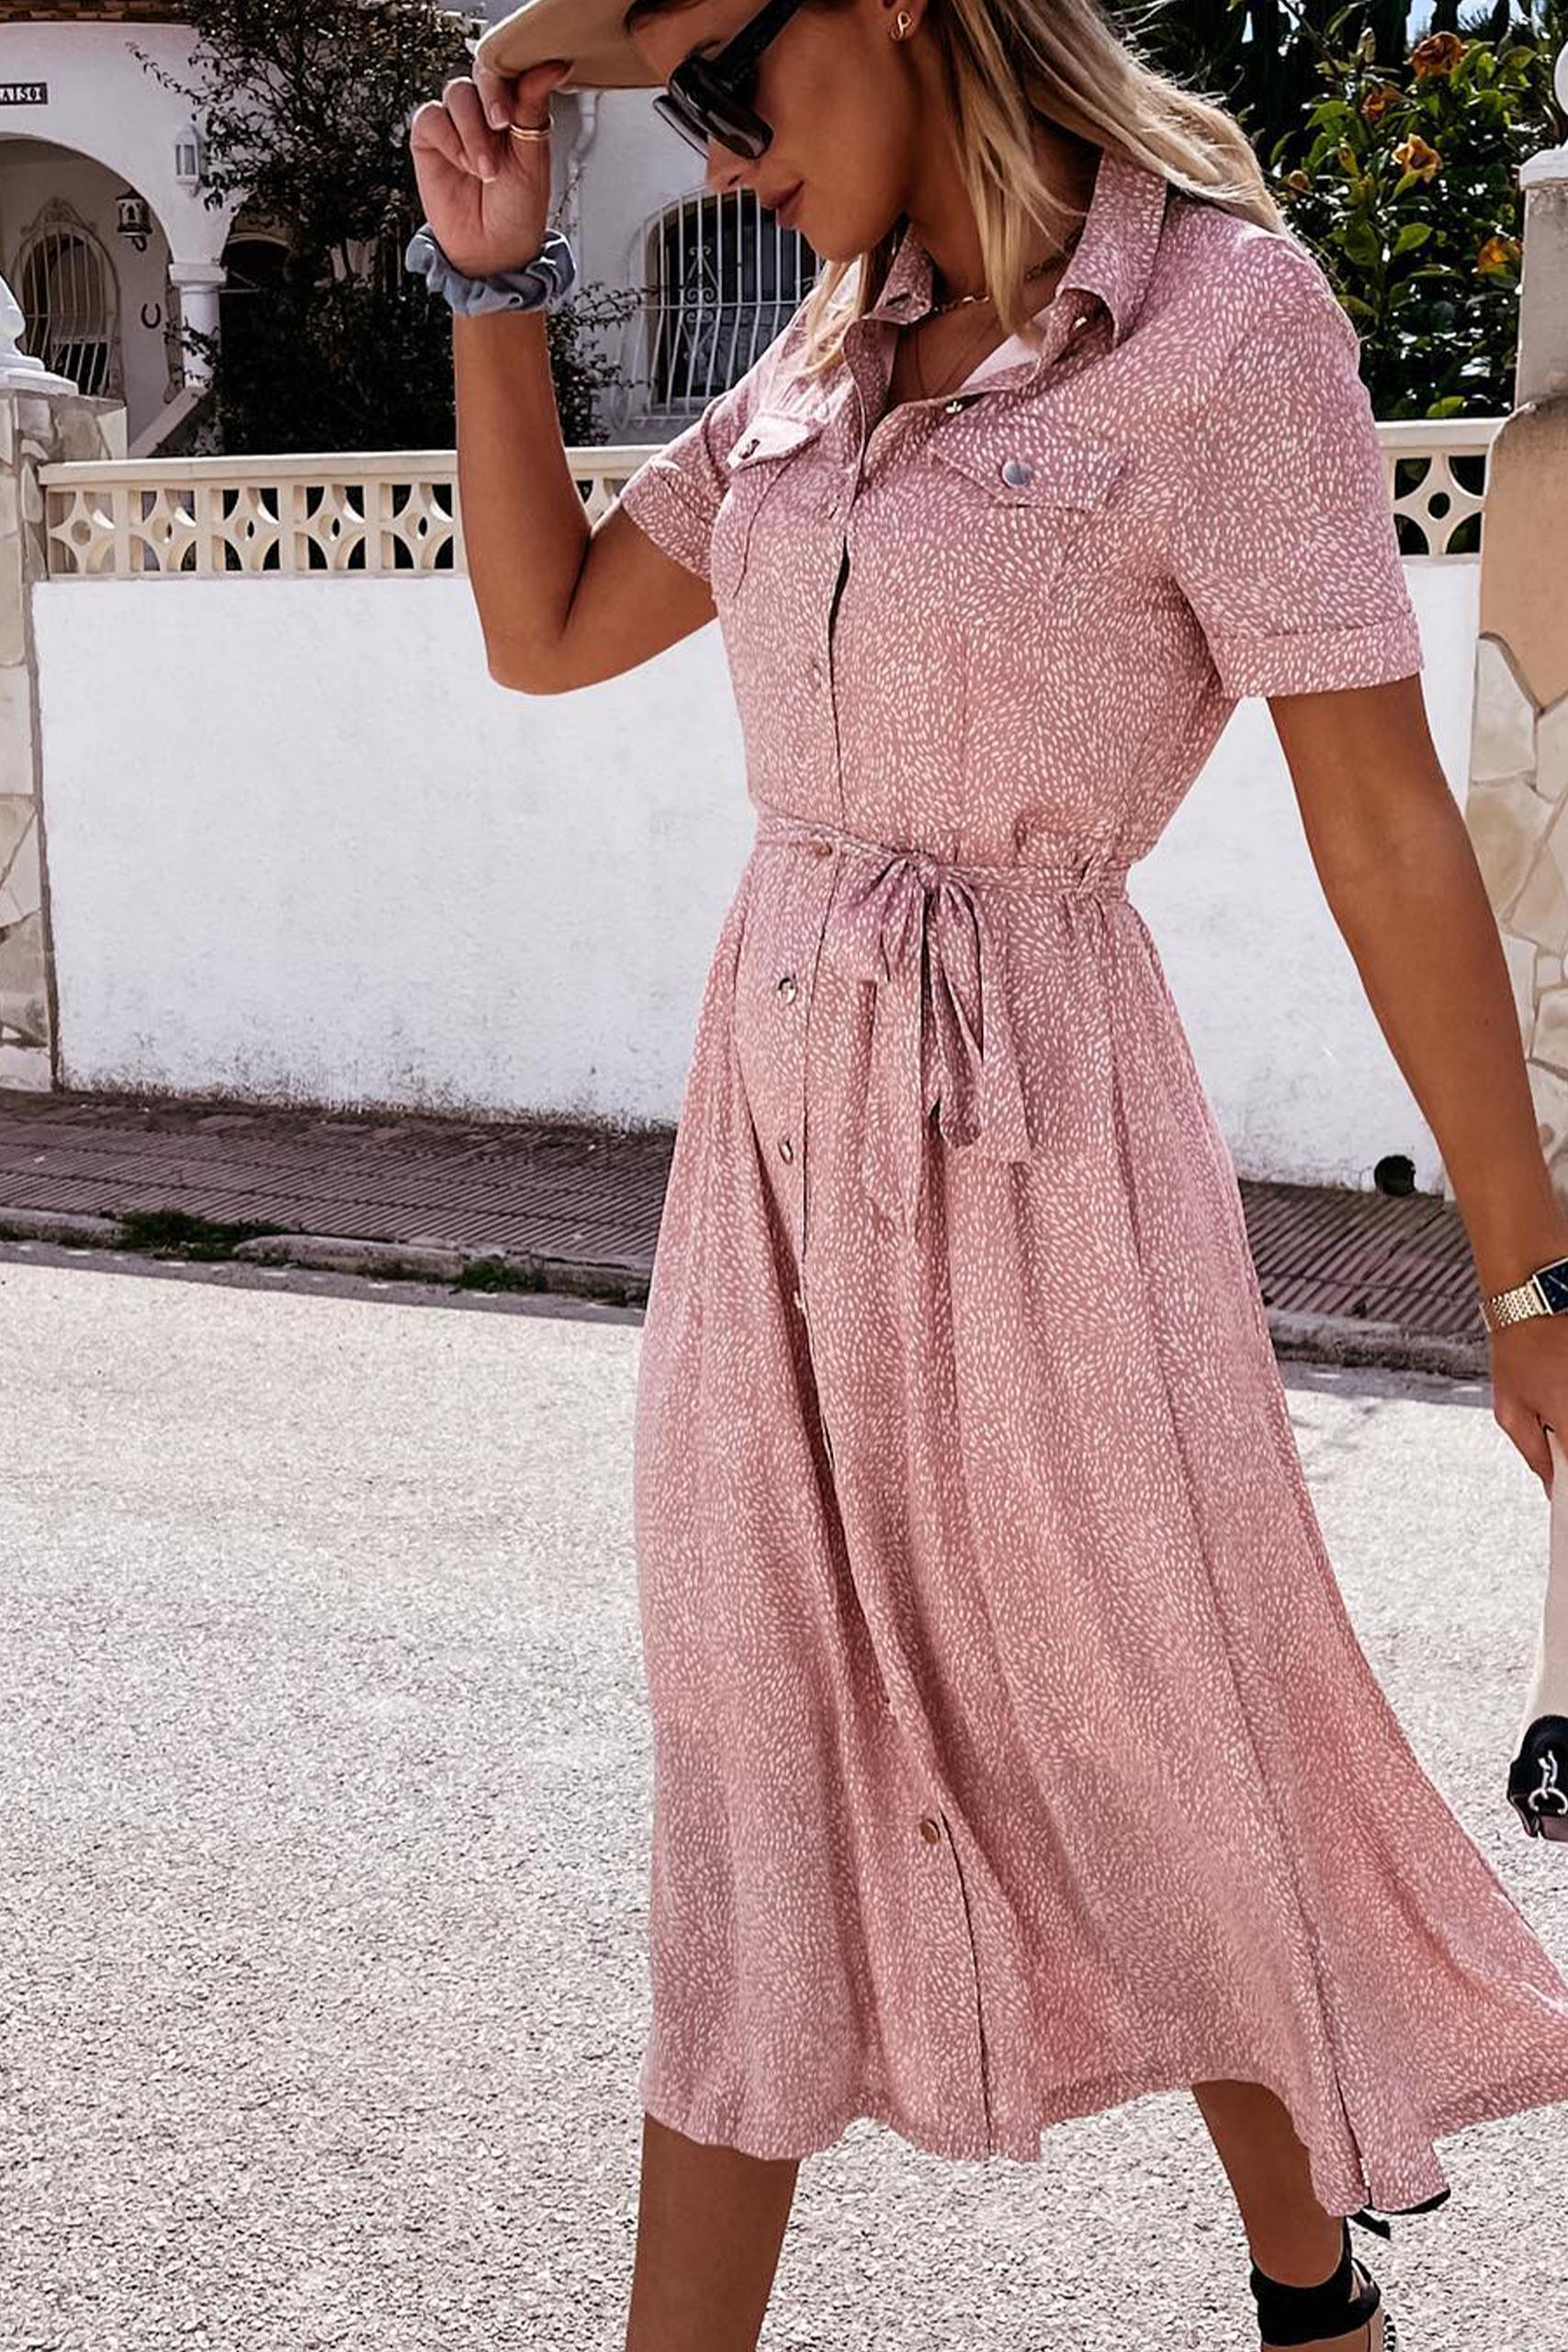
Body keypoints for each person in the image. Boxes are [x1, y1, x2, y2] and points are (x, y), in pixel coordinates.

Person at [406, 0, 1568, 2344]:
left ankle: (1306, 2278)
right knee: (755, 1760)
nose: (717, 161)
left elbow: (1374, 820)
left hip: (1038, 1143)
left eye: (729, 92)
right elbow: (542, 629)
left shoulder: (1224, 323)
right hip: (770, 1158)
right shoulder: (825, 353)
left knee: (1146, 1728)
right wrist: (493, 272)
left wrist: (1525, 1276)